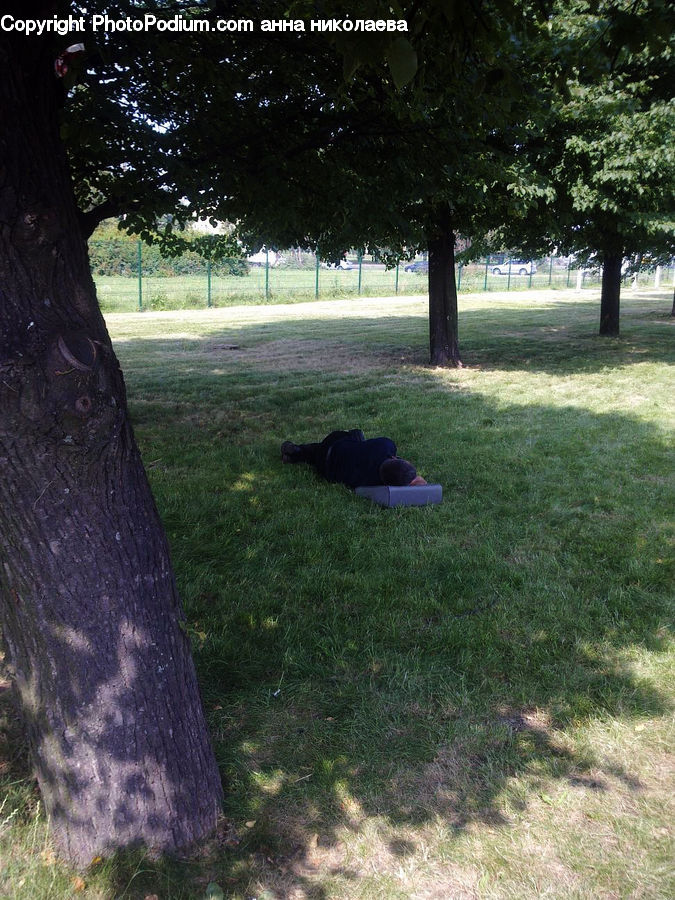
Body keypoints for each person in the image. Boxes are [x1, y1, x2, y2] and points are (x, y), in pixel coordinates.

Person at [281, 429, 427, 489]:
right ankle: (295, 454)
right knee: (316, 455)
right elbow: (422, 486)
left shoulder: (385, 446)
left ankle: (297, 450)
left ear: (395, 458)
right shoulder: (372, 485)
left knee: (356, 434)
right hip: (327, 470)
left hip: (335, 445)